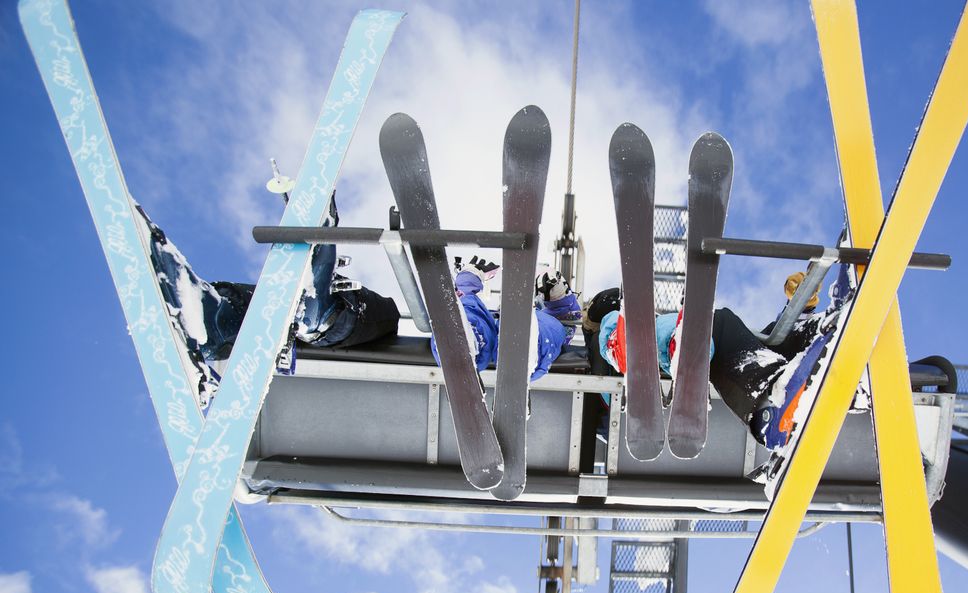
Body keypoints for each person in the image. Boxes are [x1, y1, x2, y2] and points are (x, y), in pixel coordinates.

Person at [583, 265, 861, 479]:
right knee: (719, 326)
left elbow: (761, 344)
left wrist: (796, 311)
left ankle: (822, 329)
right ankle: (766, 403)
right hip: (635, 381)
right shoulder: (594, 342)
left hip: (667, 362)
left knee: (754, 337)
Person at [142, 192, 400, 408]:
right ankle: (214, 317)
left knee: (388, 316)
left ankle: (319, 311)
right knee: (265, 309)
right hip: (348, 334)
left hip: (371, 334)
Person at [432, 256, 582, 381]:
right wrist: (467, 284)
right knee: (473, 314)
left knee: (549, 327)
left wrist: (558, 296)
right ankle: (464, 337)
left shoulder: (543, 317)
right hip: (507, 326)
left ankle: (525, 345)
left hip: (533, 325)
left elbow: (570, 318)